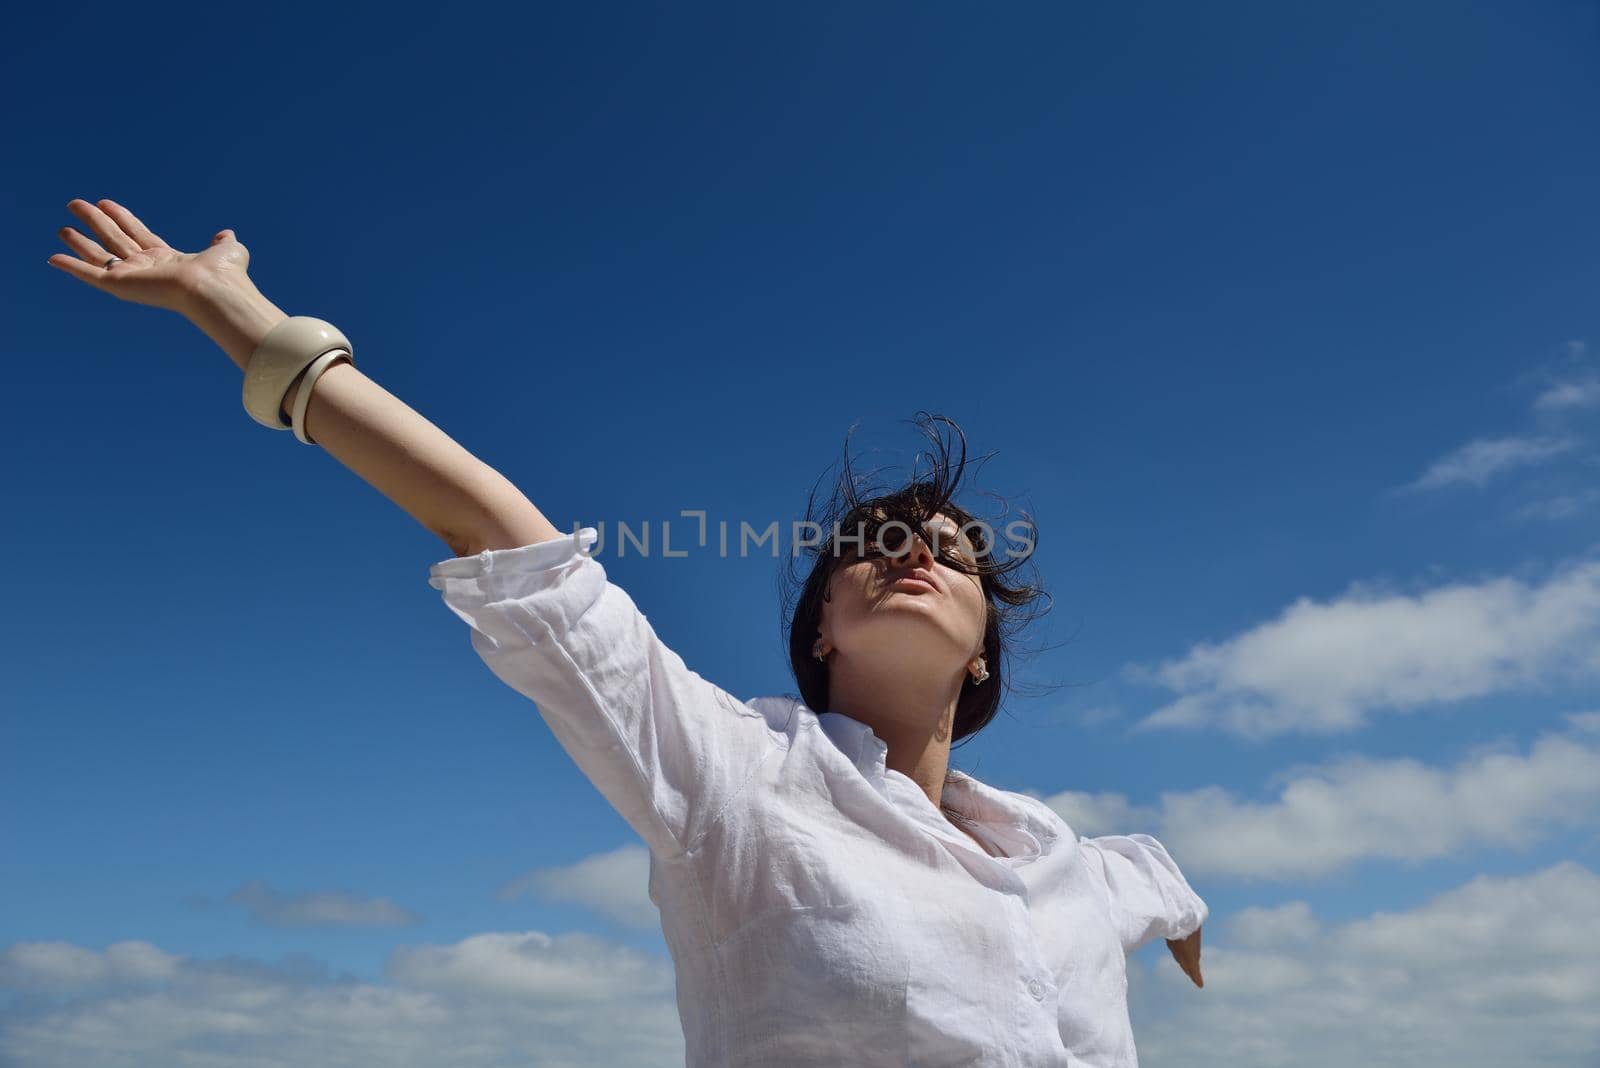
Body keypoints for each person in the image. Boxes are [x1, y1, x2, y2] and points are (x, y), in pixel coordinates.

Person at [48, 197, 1208, 1067]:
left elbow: (1148, 880)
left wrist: (1185, 924)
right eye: (871, 546)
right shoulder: (733, 778)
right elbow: (503, 539)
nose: (907, 551)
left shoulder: (1066, 862)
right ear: (820, 640)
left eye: (945, 551)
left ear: (983, 652)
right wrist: (238, 315)